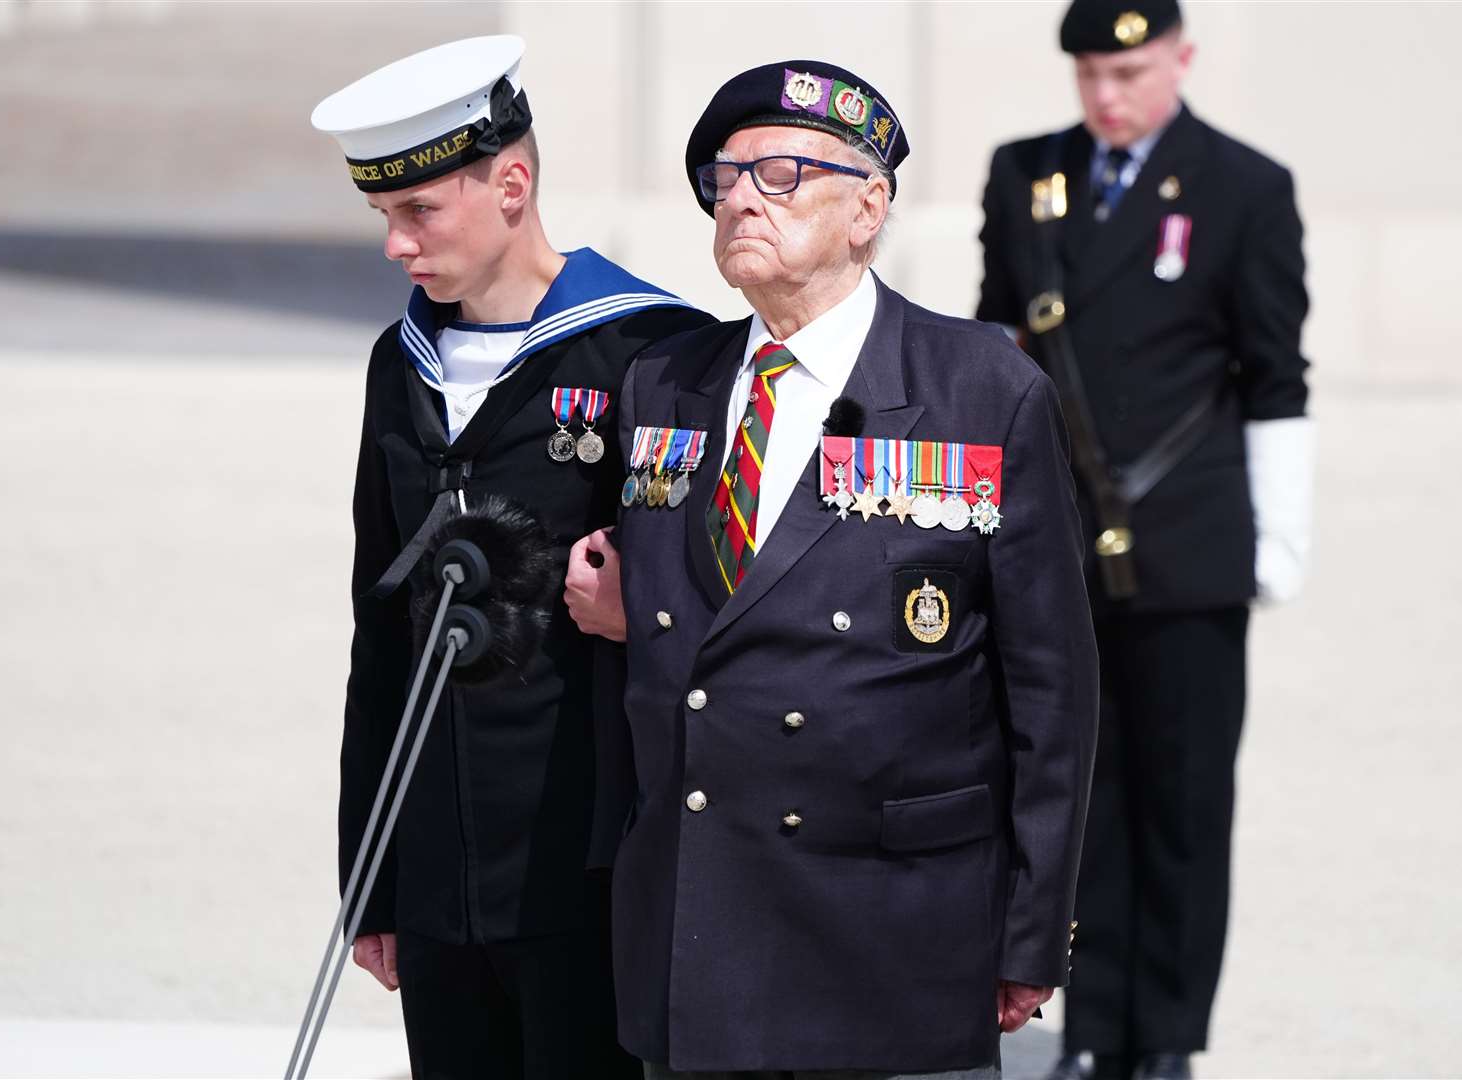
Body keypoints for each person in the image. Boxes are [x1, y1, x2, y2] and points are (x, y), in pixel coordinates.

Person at [582, 59, 1100, 1078]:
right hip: (700, 919)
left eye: (777, 175)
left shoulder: (981, 392)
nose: (738, 199)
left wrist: (1033, 931)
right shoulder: (664, 386)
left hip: (892, 935)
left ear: (868, 208)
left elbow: (1053, 691)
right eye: (722, 179)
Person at [310, 35, 712, 1078]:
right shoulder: (399, 366)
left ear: (512, 185)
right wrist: (374, 872)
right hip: (440, 864)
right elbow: (379, 623)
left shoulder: (651, 352)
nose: (397, 246)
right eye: (384, 219)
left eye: (419, 212)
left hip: (586, 864)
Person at [975, 3, 1315, 1078]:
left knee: (1182, 798)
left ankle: (1164, 1038)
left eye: (1128, 70)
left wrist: (1280, 531)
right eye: (1089, 72)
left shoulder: (1243, 187)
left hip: (1187, 540)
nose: (1106, 94)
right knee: (1078, 795)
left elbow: (1275, 375)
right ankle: (1095, 1030)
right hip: (1055, 536)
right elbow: (993, 350)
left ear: (1181, 59)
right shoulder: (1026, 173)